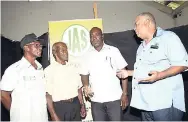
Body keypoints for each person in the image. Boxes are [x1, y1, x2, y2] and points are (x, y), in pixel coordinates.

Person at [117, 12, 188, 121]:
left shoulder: (168, 38)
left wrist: (160, 75)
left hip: (164, 103)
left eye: (137, 24)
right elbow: (144, 71)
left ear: (147, 23)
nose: (134, 28)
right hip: (146, 104)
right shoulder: (141, 47)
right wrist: (128, 73)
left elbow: (183, 64)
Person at [80, 27, 129, 121]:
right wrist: (86, 86)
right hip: (96, 101)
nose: (94, 38)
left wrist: (124, 94)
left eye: (96, 35)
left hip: (114, 99)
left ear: (102, 36)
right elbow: (84, 74)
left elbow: (124, 73)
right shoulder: (86, 55)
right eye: (91, 36)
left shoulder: (113, 51)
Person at [0, 33, 48, 121]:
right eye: (36, 45)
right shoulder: (15, 69)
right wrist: (15, 113)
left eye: (41, 46)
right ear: (26, 48)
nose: (40, 48)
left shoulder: (40, 69)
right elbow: (3, 95)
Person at [44, 42, 86, 121]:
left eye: (66, 50)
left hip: (75, 104)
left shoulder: (73, 67)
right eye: (62, 50)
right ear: (55, 53)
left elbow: (79, 89)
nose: (66, 52)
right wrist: (53, 115)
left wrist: (82, 105)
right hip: (60, 107)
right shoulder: (49, 70)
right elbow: (48, 96)